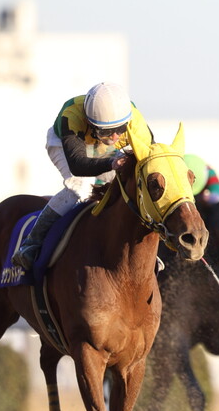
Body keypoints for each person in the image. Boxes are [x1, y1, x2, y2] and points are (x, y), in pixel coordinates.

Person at [12, 82, 153, 270]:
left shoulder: (135, 121)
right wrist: (110, 163)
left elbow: (150, 159)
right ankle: (31, 243)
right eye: (106, 132)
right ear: (90, 122)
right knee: (79, 188)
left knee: (128, 185)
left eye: (120, 130)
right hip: (67, 145)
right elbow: (78, 165)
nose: (114, 138)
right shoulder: (71, 116)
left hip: (103, 149)